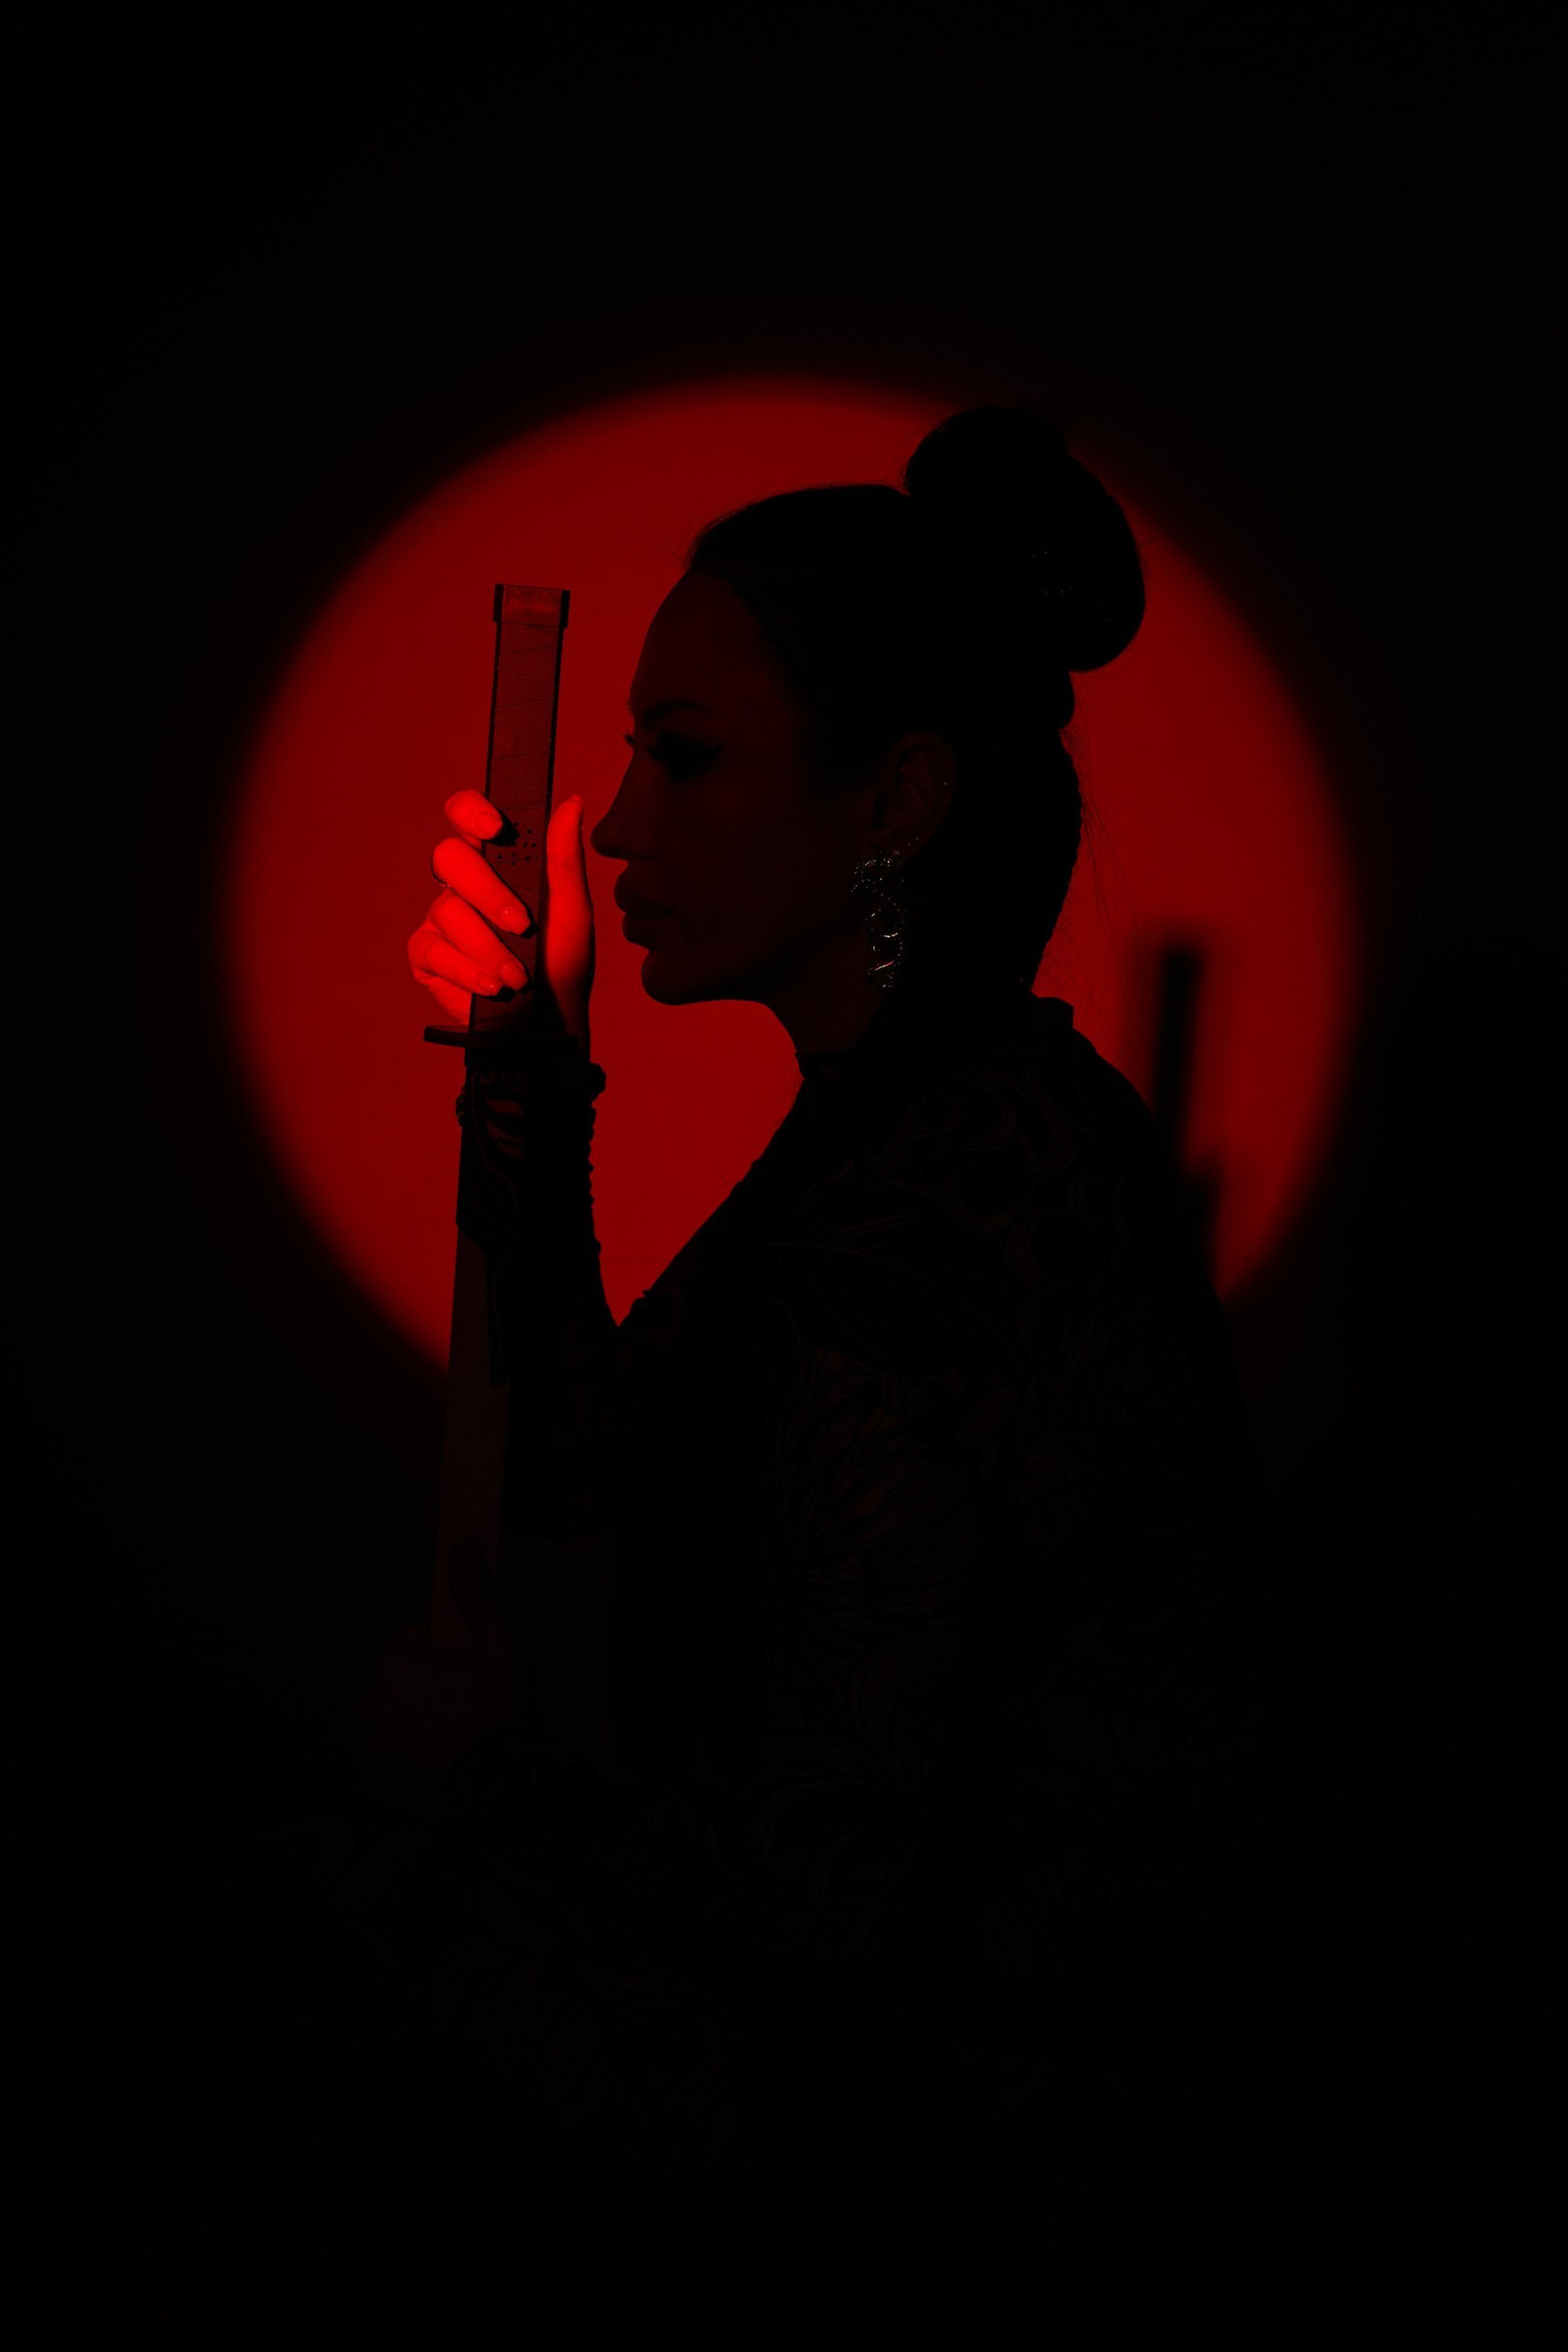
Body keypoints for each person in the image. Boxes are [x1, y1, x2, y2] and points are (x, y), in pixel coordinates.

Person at [178, 407, 1334, 2347]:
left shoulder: (958, 1197)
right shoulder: (915, 1126)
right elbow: (588, 1467)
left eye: (685, 753)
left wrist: (483, 1790)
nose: (620, 824)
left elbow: (827, 1903)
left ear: (894, 798)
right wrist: (530, 1061)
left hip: (985, 2219)